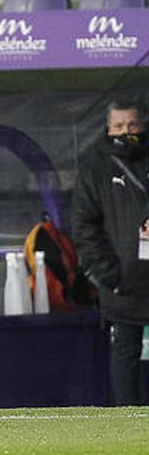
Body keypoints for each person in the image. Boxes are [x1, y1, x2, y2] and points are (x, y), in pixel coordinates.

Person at [73, 98, 149, 406]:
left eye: (131, 125)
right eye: (119, 126)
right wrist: (111, 276)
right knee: (125, 361)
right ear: (108, 128)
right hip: (124, 286)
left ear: (142, 125)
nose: (125, 132)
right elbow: (85, 227)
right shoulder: (95, 166)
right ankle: (130, 431)